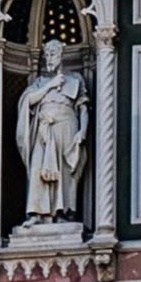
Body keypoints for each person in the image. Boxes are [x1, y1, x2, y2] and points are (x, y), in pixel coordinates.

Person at [15, 39, 90, 225]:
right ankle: (37, 214)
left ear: (61, 56)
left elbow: (83, 108)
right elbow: (28, 101)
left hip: (67, 126)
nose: (49, 58)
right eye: (47, 55)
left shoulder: (75, 79)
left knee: (65, 171)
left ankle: (63, 213)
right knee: (38, 169)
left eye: (53, 54)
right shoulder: (40, 81)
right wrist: (50, 85)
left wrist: (83, 131)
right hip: (44, 130)